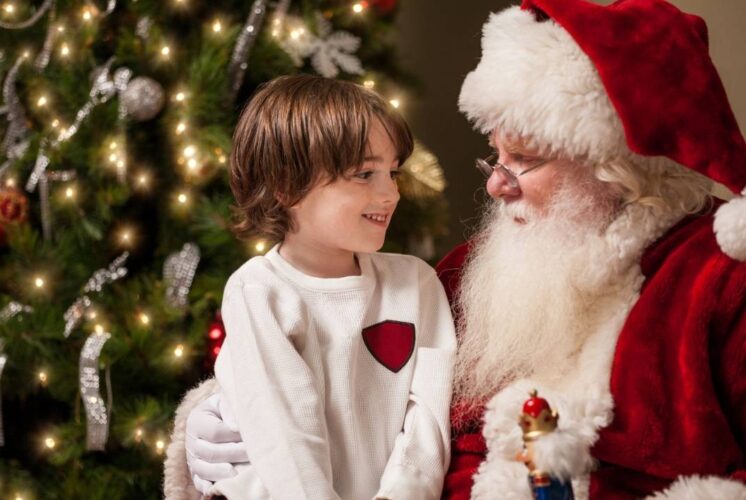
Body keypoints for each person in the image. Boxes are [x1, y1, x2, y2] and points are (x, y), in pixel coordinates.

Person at [168, 1, 746, 498]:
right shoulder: (468, 274)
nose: (496, 183)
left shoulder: (718, 280)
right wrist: (221, 413)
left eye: (525, 159)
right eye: (495, 156)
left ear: (617, 166)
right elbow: (332, 379)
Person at [163, 74, 457, 500]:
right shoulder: (259, 291)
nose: (390, 193)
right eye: (364, 174)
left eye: (392, 172)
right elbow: (285, 441)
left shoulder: (416, 284)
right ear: (286, 186)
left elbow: (428, 418)